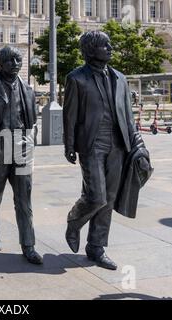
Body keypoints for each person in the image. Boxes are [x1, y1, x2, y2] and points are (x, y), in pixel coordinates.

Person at [63, 31, 138, 270]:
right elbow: (70, 115)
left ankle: (96, 247)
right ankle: (74, 220)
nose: (110, 47)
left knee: (109, 200)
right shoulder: (77, 78)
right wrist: (69, 144)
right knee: (96, 196)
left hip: (118, 145)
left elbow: (128, 115)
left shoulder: (120, 78)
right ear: (91, 49)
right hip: (91, 144)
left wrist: (136, 144)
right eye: (104, 45)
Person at [0, 46, 43, 265]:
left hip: (22, 148)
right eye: (10, 60)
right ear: (0, 64)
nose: (15, 64)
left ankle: (28, 245)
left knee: (24, 199)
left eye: (18, 59)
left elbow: (32, 121)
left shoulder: (27, 89)